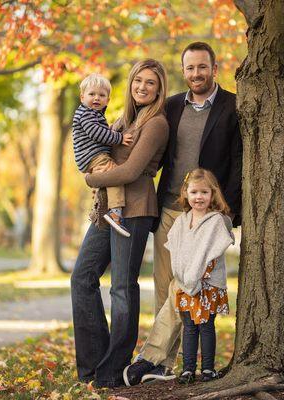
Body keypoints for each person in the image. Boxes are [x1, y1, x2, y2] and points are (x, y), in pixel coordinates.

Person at [123, 41, 242, 384]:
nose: (195, 74)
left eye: (202, 67)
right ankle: (166, 365)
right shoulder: (172, 106)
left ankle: (152, 358)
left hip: (207, 218)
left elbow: (237, 162)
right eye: (189, 68)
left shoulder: (232, 106)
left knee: (187, 286)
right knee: (166, 289)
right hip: (171, 210)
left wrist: (227, 214)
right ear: (183, 71)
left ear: (214, 68)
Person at [70, 59, 169, 388]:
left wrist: (89, 179)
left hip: (136, 208)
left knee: (122, 287)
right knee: (82, 277)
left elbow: (129, 172)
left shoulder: (156, 124)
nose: (142, 86)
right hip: (107, 208)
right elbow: (94, 147)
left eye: (150, 82)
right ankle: (93, 366)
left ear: (159, 89)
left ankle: (113, 371)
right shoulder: (121, 120)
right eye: (137, 80)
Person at [168, 169, 233, 383]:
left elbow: (214, 250)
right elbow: (176, 249)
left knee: (205, 326)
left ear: (213, 194)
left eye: (204, 192)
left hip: (207, 284)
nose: (199, 197)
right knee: (188, 327)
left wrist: (199, 276)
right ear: (185, 193)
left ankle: (207, 369)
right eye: (194, 192)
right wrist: (186, 277)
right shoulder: (181, 221)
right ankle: (187, 369)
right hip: (185, 282)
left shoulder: (217, 221)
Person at [72, 73, 134, 237]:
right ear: (82, 97)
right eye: (92, 94)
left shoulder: (93, 114)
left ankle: (96, 209)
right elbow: (97, 134)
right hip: (93, 155)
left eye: (101, 95)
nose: (96, 98)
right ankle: (115, 212)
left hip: (92, 156)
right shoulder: (86, 114)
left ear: (108, 100)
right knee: (114, 175)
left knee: (104, 181)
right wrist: (119, 138)